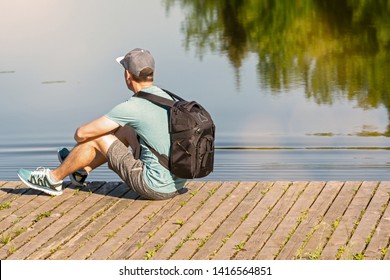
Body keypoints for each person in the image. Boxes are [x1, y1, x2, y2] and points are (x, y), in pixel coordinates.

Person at [17, 48, 186, 200]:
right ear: (152, 73)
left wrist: (84, 147)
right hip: (176, 183)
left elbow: (81, 134)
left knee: (100, 137)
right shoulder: (167, 97)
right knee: (127, 129)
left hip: (153, 186)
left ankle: (53, 178)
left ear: (128, 75)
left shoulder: (133, 107)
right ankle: (80, 170)